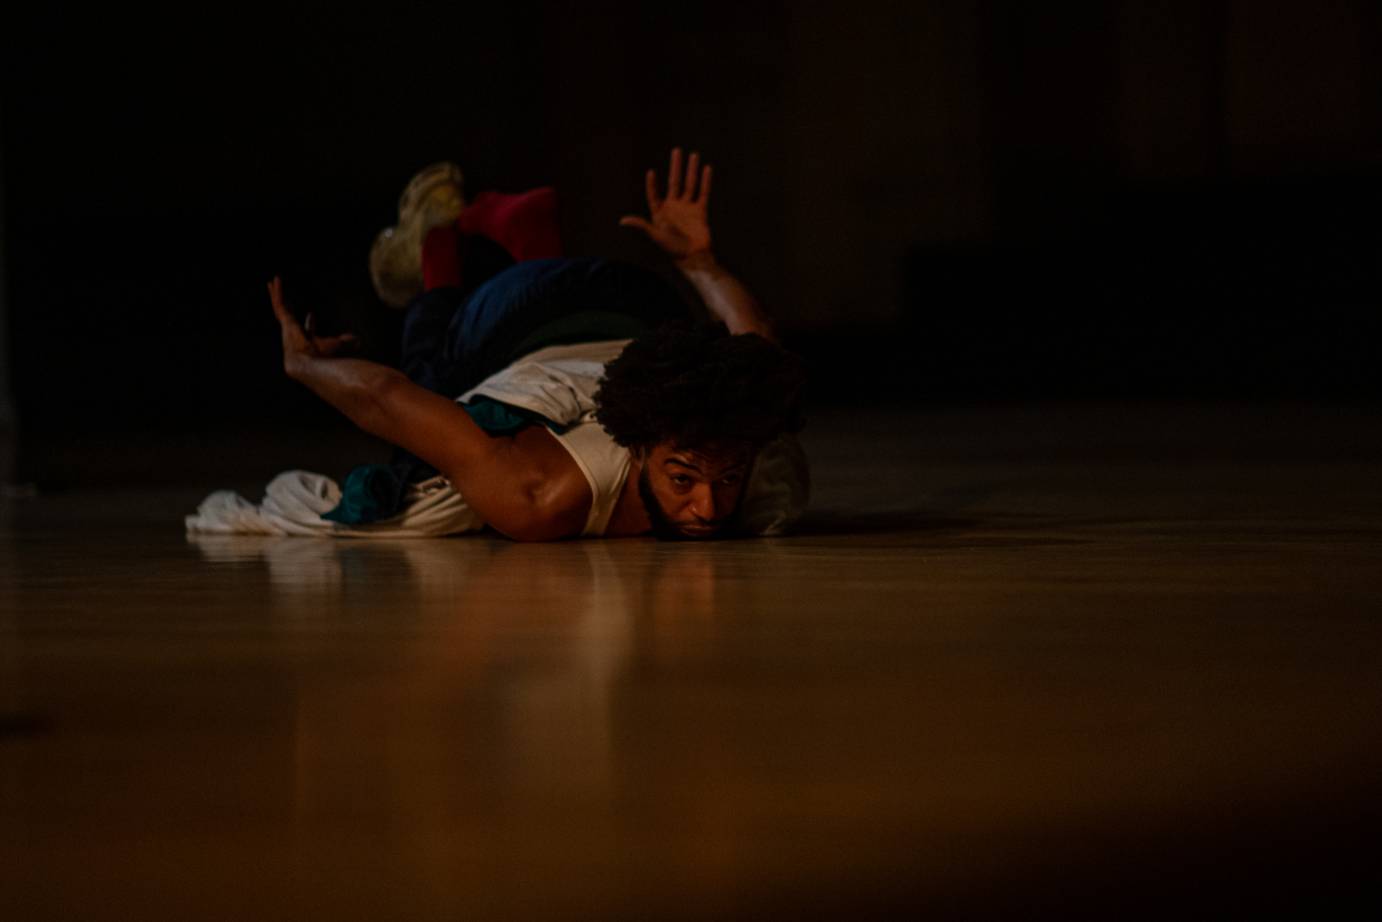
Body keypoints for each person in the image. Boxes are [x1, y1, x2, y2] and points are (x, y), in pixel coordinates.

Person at [186, 149, 807, 541]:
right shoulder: (541, 493)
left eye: (728, 478)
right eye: (684, 478)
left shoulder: (752, 445)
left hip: (633, 298)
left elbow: (754, 350)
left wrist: (699, 262)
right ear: (640, 445)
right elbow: (388, 396)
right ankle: (437, 250)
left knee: (543, 340)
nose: (709, 506)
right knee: (432, 404)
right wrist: (302, 367)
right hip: (512, 314)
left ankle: (529, 226)